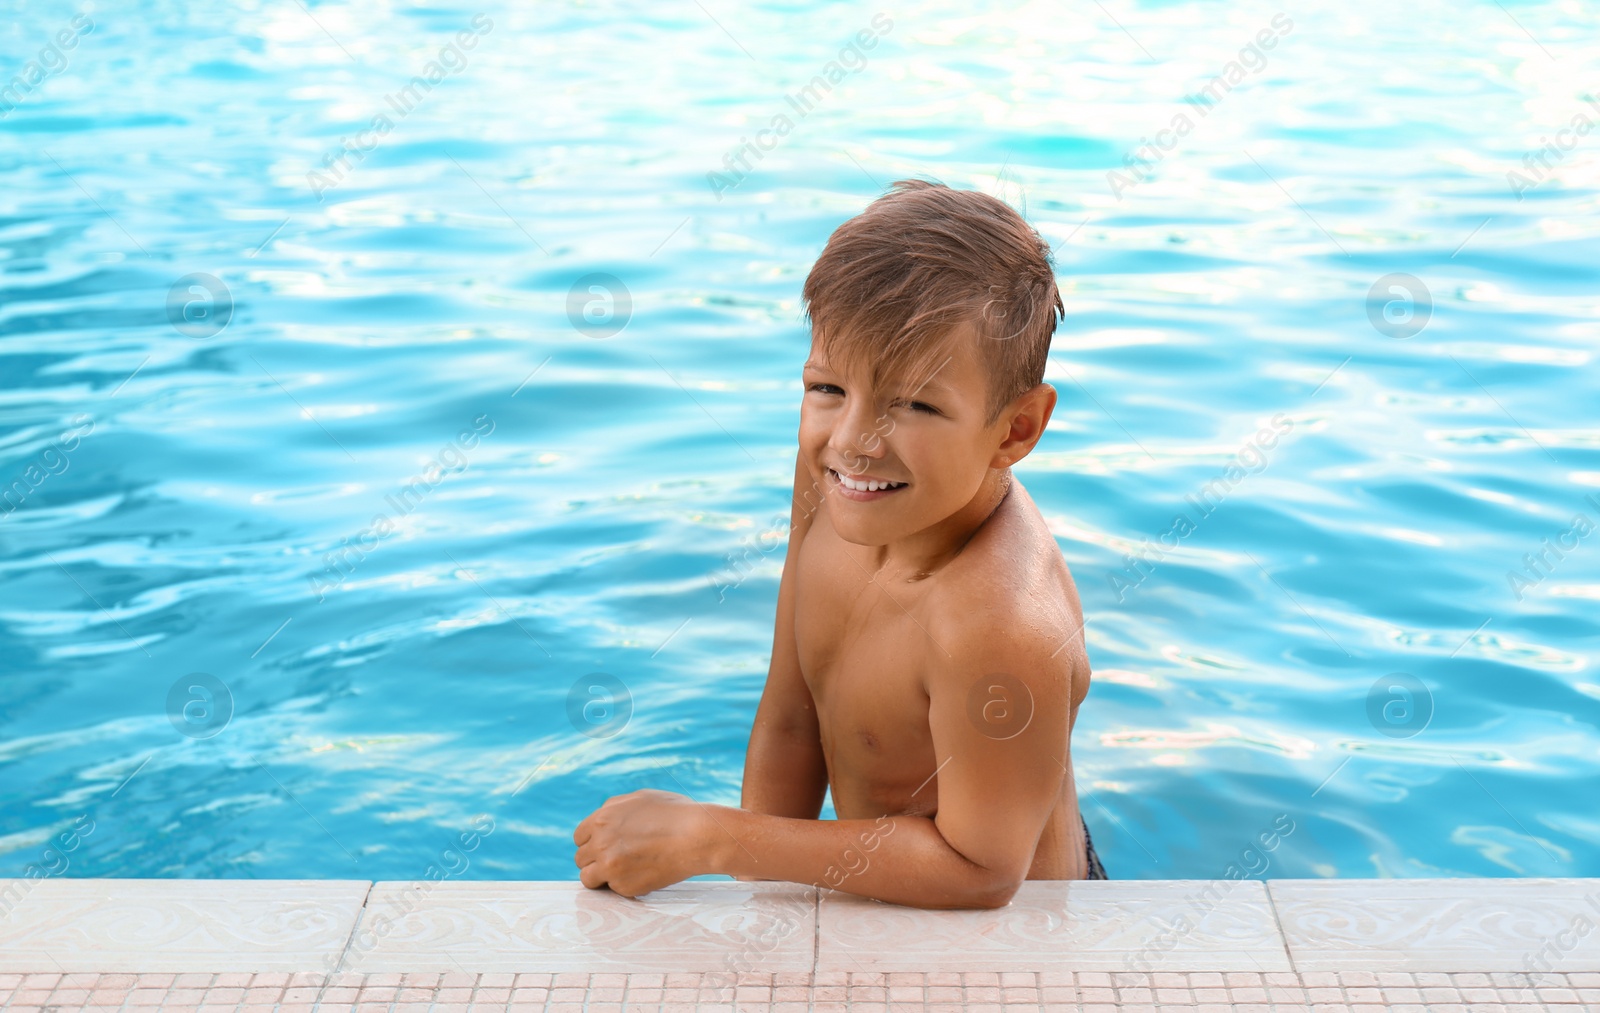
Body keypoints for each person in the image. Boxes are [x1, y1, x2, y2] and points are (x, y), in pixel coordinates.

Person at [574, 178, 1103, 908]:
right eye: (827, 388)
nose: (853, 441)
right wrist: (756, 895)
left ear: (1016, 430)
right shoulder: (837, 483)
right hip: (889, 895)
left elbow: (981, 870)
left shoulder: (998, 623)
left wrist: (716, 837)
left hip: (1015, 937)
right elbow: (793, 708)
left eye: (913, 404)